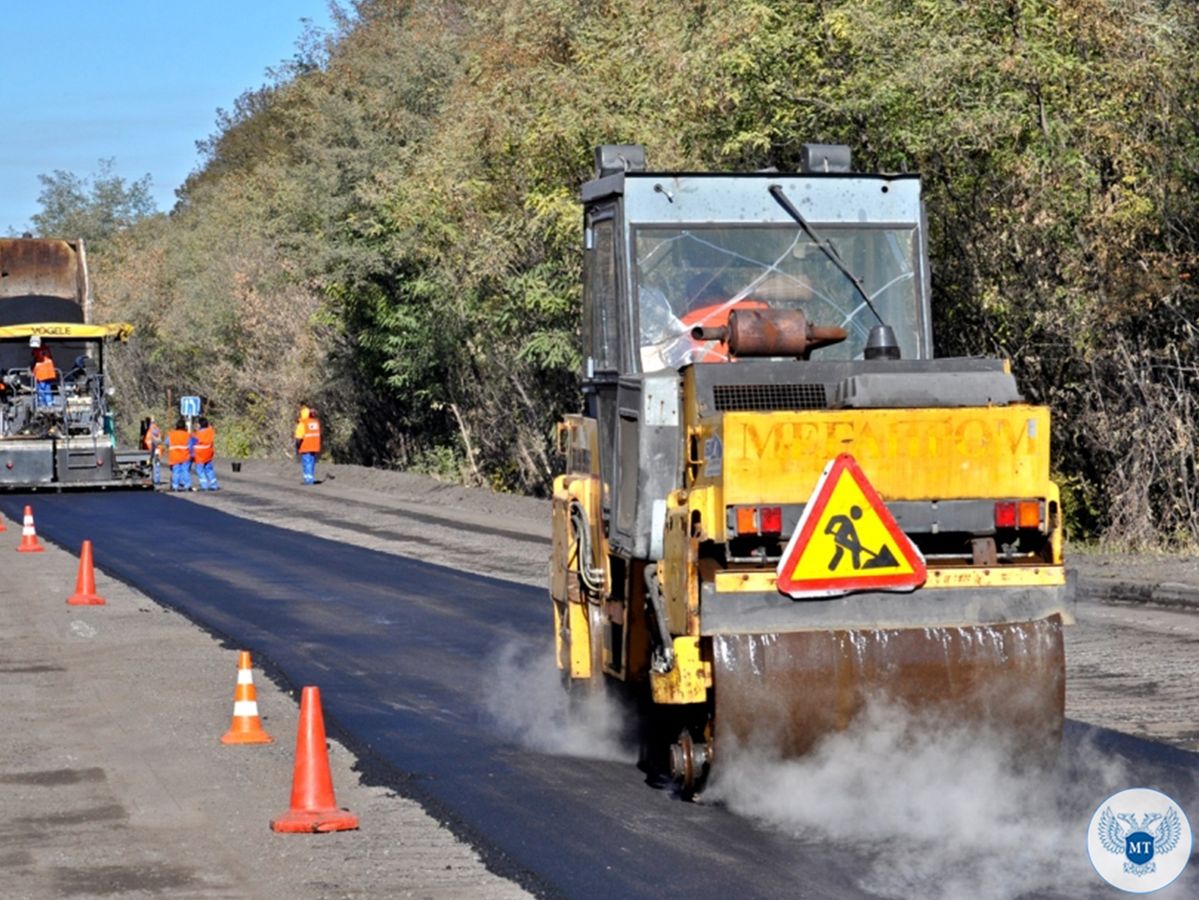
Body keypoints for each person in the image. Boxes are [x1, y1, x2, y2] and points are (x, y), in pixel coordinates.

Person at [294, 405, 322, 485]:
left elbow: (298, 437)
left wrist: (297, 447)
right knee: (312, 462)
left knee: (307, 462)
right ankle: (310, 477)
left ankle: (308, 479)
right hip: (314, 446)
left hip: (305, 446)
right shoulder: (315, 422)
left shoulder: (302, 424)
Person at [191, 416, 219, 491]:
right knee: (209, 469)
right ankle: (214, 485)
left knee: (200, 470)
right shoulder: (210, 431)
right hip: (209, 453)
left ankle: (204, 485)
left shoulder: (197, 434)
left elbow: (192, 442)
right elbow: (210, 427)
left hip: (200, 454)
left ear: (199, 425)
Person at [166, 418, 193, 491]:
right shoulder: (187, 435)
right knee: (185, 471)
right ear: (184, 427)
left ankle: (175, 486)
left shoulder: (171, 434)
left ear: (176, 426)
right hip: (185, 456)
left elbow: (167, 443)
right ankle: (187, 486)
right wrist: (192, 456)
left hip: (175, 456)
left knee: (176, 472)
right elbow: (191, 446)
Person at [29, 336, 56, 409]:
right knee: (47, 388)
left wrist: (31, 369)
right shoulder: (46, 349)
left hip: (41, 372)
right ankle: (50, 404)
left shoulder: (37, 350)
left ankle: (42, 404)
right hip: (49, 371)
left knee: (41, 389)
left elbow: (35, 360)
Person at [143, 416, 163, 486]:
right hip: (156, 451)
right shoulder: (156, 429)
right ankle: (156, 480)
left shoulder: (151, 430)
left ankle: (154, 480)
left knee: (152, 465)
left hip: (152, 451)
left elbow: (150, 441)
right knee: (156, 466)